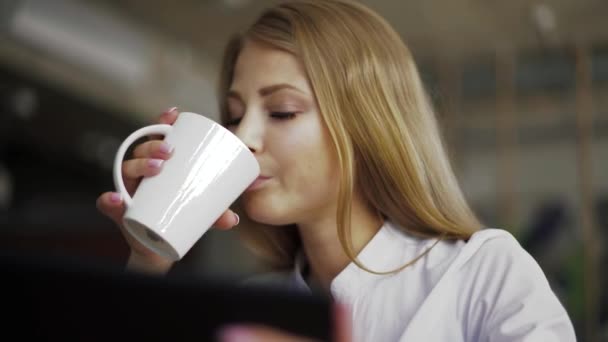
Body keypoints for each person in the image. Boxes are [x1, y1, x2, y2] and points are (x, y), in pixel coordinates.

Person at [96, 1, 577, 341]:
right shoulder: (251, 304)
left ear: (366, 125)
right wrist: (148, 260)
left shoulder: (483, 273)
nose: (243, 137)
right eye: (235, 113)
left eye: (282, 111)